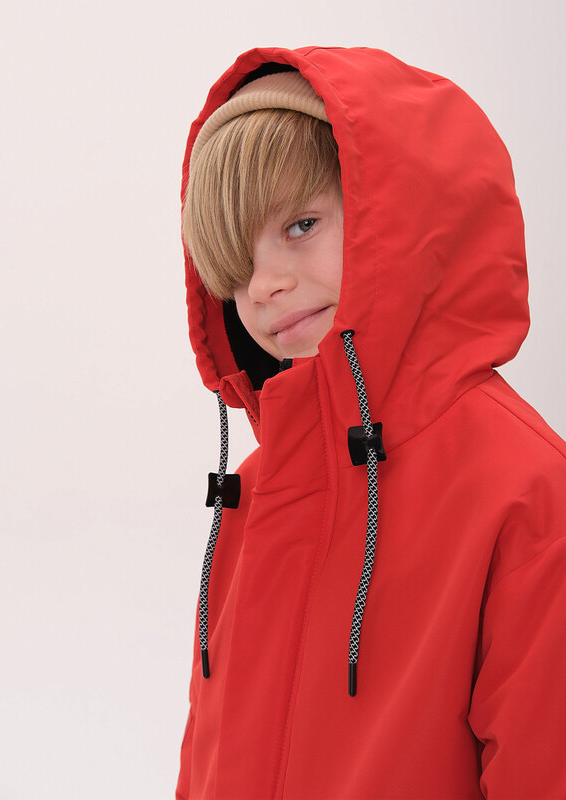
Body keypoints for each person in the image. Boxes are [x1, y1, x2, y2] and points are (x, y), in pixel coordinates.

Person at [176, 47, 566, 800]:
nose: (265, 285)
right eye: (237, 263)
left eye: (301, 224)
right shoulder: (256, 490)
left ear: (404, 216)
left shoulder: (523, 492)